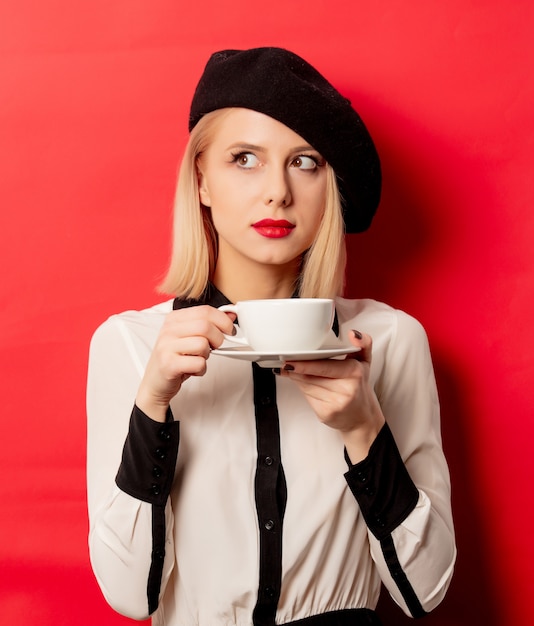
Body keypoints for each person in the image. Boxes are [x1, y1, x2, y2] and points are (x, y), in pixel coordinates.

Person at [86, 47, 456, 626]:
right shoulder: (131, 346)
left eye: (305, 162)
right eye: (245, 158)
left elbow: (423, 591)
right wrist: (153, 404)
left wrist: (364, 427)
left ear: (329, 186)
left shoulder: (389, 341)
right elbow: (132, 597)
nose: (278, 192)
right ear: (202, 180)